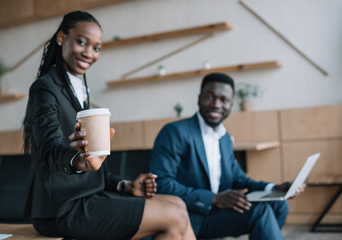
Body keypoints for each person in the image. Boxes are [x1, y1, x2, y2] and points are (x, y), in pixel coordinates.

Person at [23, 11, 196, 240]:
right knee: (173, 215)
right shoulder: (45, 88)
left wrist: (126, 186)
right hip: (61, 207)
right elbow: (48, 149)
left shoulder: (78, 90)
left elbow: (95, 168)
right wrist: (77, 161)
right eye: (82, 42)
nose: (89, 53)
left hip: (88, 196)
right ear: (62, 38)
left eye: (96, 48)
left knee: (178, 205)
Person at [150, 73, 305, 240]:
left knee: (279, 205)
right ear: (199, 98)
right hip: (189, 215)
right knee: (259, 212)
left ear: (231, 104)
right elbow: (162, 183)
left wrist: (273, 189)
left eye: (224, 100)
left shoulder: (224, 138)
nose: (217, 104)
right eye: (210, 97)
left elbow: (239, 180)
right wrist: (213, 199)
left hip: (216, 213)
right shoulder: (175, 132)